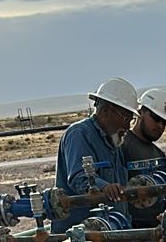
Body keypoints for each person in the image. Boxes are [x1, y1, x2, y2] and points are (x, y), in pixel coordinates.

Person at [52, 77, 138, 226]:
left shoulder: (113, 141)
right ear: (105, 111)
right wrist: (104, 187)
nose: (128, 127)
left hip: (111, 232)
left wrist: (127, 226)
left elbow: (119, 197)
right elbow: (79, 177)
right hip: (83, 237)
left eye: (131, 120)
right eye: (125, 119)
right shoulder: (79, 134)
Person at [121, 87, 166, 229]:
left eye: (164, 122)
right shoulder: (121, 148)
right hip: (133, 232)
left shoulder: (159, 155)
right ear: (141, 112)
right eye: (156, 119)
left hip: (158, 231)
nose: (160, 126)